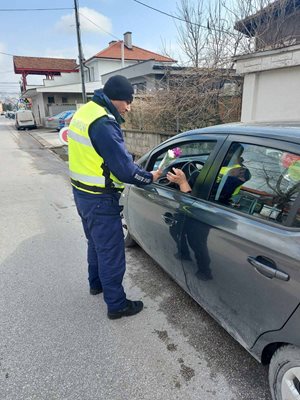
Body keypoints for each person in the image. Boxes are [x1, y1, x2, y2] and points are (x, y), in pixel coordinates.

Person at [68, 75, 161, 320]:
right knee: (111, 251)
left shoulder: (86, 111)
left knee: (95, 243)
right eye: (127, 102)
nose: (129, 107)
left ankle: (96, 283)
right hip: (100, 199)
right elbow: (126, 172)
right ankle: (117, 305)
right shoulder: (103, 123)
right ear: (116, 99)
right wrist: (151, 176)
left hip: (82, 193)